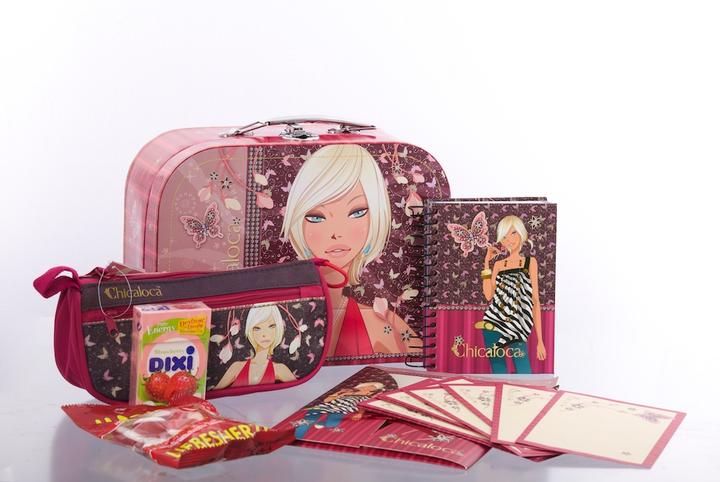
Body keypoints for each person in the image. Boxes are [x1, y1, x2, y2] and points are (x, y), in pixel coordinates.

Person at [281, 144, 418, 357]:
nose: (336, 233)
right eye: (316, 217)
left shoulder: (385, 328)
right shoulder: (275, 320)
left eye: (357, 212)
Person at [474, 215, 546, 373]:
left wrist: (540, 341)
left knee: (524, 371)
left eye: (513, 233)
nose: (509, 240)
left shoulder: (530, 262)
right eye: (504, 236)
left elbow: (535, 301)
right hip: (493, 323)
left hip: (517, 325)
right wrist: (486, 263)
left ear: (521, 233)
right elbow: (488, 295)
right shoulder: (499, 265)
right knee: (499, 373)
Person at [215, 305, 295, 387]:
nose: (264, 334)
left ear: (278, 328)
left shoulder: (280, 369)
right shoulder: (236, 367)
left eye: (271, 326)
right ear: (250, 331)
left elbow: (298, 390)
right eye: (257, 328)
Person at [294, 382, 385, 439]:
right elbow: (326, 401)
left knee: (331, 425)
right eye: (366, 387)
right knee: (308, 420)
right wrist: (339, 393)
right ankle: (298, 436)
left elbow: (363, 406)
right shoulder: (345, 392)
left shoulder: (367, 397)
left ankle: (323, 428)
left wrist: (360, 414)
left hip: (343, 409)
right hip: (327, 406)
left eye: (371, 388)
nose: (367, 388)